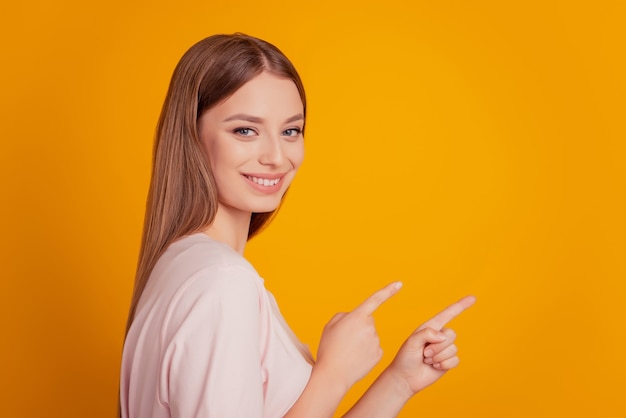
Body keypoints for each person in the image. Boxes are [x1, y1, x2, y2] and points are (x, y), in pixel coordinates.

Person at [119, 33, 475, 418]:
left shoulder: (183, 265)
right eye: (245, 130)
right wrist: (333, 374)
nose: (276, 156)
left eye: (291, 131)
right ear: (192, 137)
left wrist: (399, 382)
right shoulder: (223, 282)